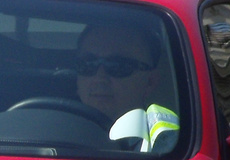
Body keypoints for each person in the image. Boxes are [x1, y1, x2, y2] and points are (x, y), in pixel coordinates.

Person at [74, 21, 179, 152]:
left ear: (150, 81)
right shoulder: (47, 132)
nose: (99, 77)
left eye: (118, 66)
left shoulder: (171, 143)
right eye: (87, 64)